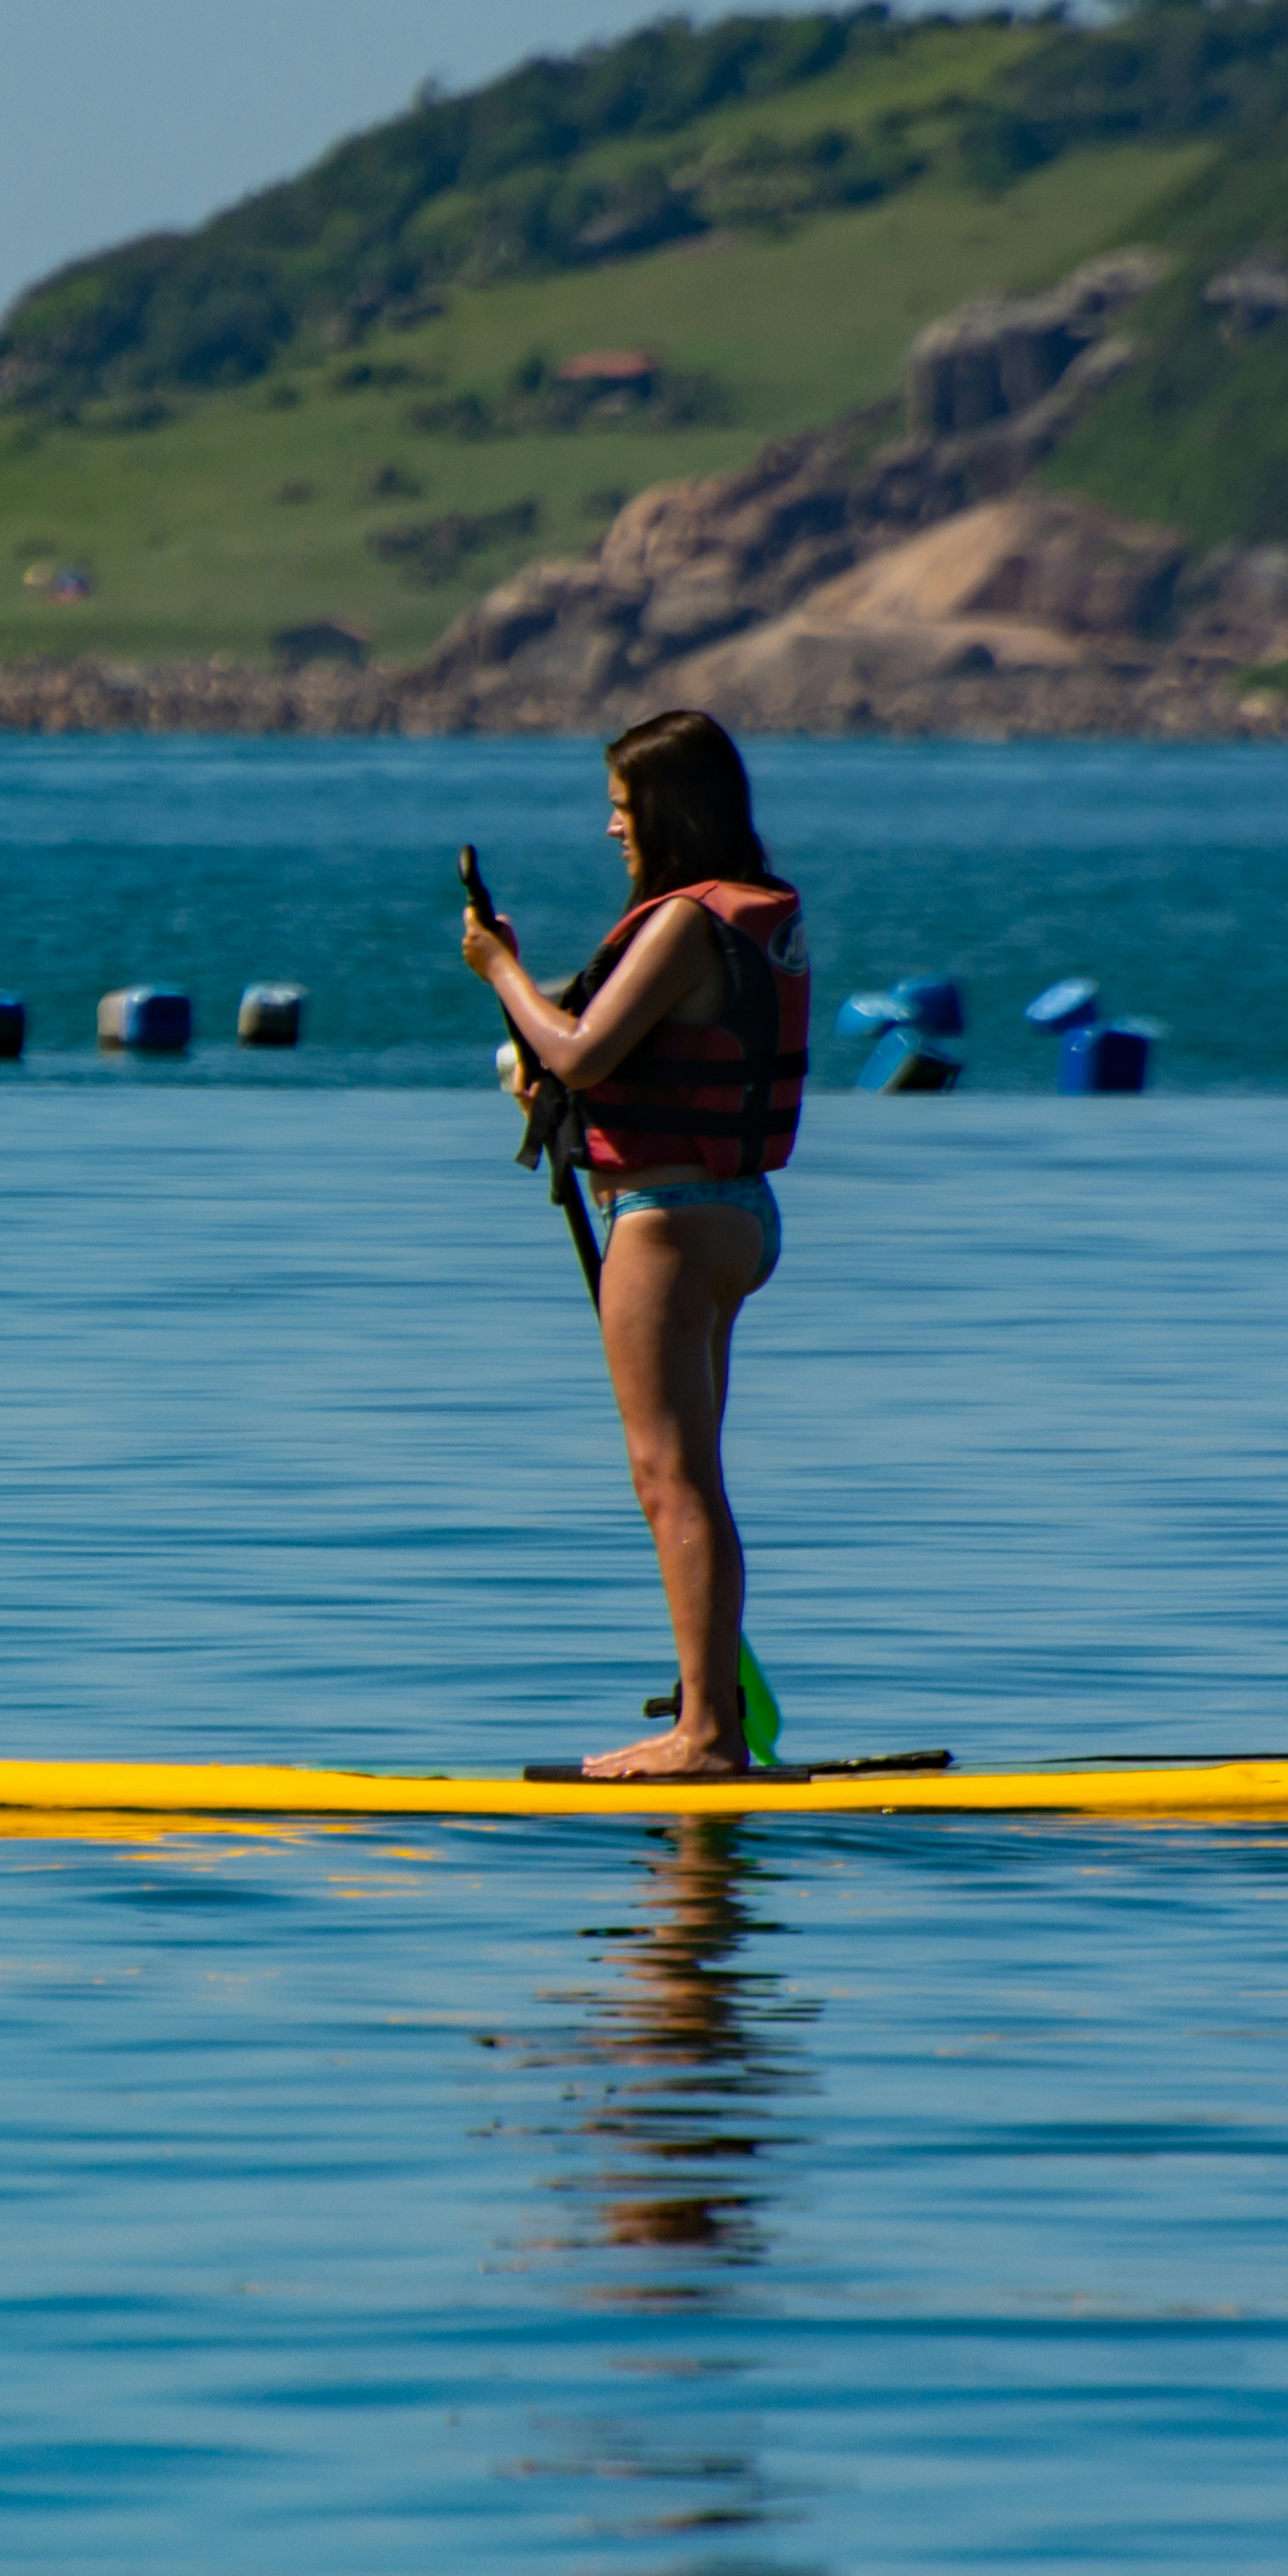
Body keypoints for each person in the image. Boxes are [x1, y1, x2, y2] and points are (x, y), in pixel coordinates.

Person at [460, 710, 809, 1781]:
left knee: (670, 1479)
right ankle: (716, 1721)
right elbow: (597, 1051)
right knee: (691, 1474)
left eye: (621, 808)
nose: (611, 828)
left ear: (666, 808)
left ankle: (704, 1737)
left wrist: (498, 969)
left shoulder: (681, 924)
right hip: (736, 1212)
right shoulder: (746, 917)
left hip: (664, 1224)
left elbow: (582, 1048)